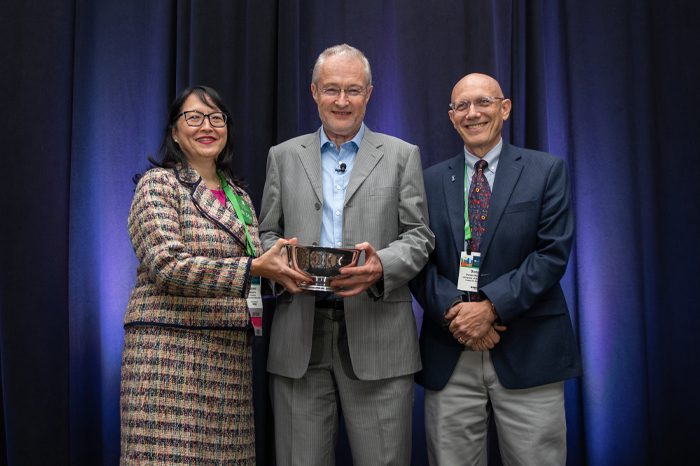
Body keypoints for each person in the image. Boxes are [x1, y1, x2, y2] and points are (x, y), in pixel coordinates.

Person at [258, 44, 434, 466]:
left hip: (379, 335)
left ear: (369, 93)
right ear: (315, 91)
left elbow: (420, 236)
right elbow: (265, 231)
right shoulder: (283, 157)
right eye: (332, 89)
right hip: (300, 333)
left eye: (353, 90)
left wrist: (382, 266)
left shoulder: (401, 155)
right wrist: (277, 261)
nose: (342, 101)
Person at [120, 85, 307, 465]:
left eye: (216, 118)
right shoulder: (159, 184)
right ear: (175, 131)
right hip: (167, 362)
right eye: (194, 117)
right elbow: (168, 266)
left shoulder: (239, 196)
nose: (207, 126)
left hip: (228, 361)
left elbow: (255, 270)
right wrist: (255, 268)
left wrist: (291, 275)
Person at [410, 73, 583, 466]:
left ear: (504, 108)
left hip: (529, 350)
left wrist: (489, 308)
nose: (473, 113)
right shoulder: (428, 180)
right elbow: (416, 260)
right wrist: (458, 314)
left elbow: (552, 254)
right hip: (449, 351)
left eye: (483, 102)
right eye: (462, 106)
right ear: (452, 117)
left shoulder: (546, 170)